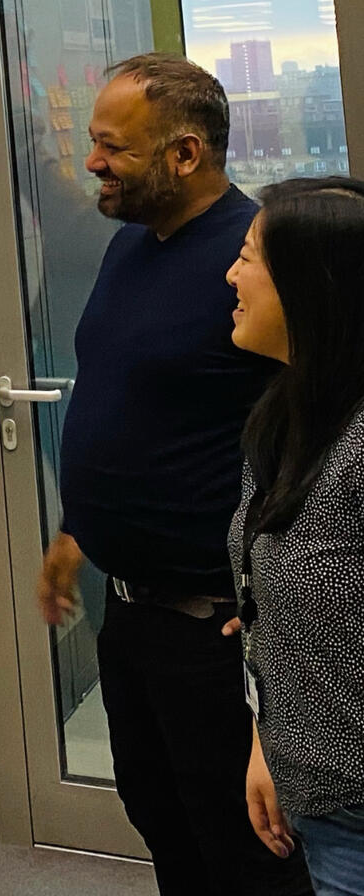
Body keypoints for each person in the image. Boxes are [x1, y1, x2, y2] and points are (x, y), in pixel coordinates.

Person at [35, 54, 310, 894]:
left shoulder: (260, 265)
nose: (91, 163)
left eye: (110, 147)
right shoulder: (128, 251)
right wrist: (78, 532)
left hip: (219, 632)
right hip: (132, 616)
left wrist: (281, 617)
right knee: (163, 824)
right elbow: (134, 405)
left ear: (185, 154)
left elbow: (312, 448)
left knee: (244, 856)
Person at [224, 179, 364, 894]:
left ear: (311, 287)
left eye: (248, 256)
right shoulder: (285, 419)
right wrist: (266, 739)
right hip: (313, 789)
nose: (230, 274)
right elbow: (268, 605)